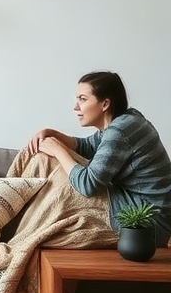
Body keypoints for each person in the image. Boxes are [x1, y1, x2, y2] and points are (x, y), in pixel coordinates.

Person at [27, 71, 171, 247]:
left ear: (105, 104)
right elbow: (86, 146)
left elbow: (88, 185)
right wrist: (52, 133)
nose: (75, 106)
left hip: (147, 223)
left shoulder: (119, 132)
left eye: (82, 99)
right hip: (144, 209)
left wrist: (58, 150)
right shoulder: (125, 121)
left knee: (50, 164)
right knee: (45, 159)